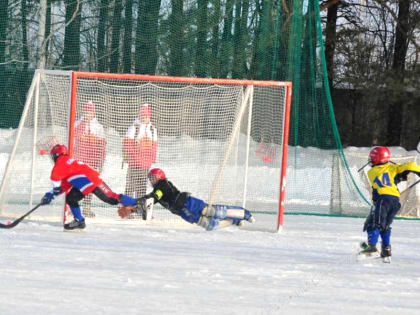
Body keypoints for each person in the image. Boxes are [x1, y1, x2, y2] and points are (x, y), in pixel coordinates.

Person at [117, 168, 255, 230]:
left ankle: (244, 213)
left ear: (160, 177)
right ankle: (233, 221)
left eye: (154, 178)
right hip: (181, 212)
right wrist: (134, 209)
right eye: (150, 179)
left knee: (212, 211)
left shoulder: (163, 185)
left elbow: (152, 197)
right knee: (209, 225)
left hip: (188, 203)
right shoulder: (156, 191)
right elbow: (150, 202)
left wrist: (133, 203)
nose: (152, 181)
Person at [41, 144, 138, 230]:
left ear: (57, 155)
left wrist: (54, 190)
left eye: (53, 155)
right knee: (71, 198)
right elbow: (64, 186)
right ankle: (79, 221)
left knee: (112, 198)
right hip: (85, 183)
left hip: (92, 181)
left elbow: (55, 176)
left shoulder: (62, 161)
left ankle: (138, 203)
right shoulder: (67, 165)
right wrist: (49, 196)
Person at [359, 146, 420, 259]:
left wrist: (395, 169)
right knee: (384, 225)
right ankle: (386, 249)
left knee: (374, 223)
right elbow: (410, 166)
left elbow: (384, 173)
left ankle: (372, 247)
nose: (370, 160)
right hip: (395, 202)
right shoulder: (393, 168)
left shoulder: (372, 172)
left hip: (382, 200)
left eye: (372, 158)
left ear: (377, 159)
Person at [74, 101, 107, 218]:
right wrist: (83, 123)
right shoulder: (78, 124)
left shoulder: (98, 127)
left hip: (92, 162)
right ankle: (73, 206)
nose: (88, 114)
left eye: (90, 112)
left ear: (94, 113)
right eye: (86, 112)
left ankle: (86, 207)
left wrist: (101, 160)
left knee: (90, 185)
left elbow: (102, 146)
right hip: (79, 161)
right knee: (77, 185)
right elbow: (75, 137)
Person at [123, 104, 158, 200]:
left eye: (146, 116)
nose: (144, 118)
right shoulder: (134, 128)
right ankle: (127, 207)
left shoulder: (152, 129)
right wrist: (135, 156)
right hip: (134, 163)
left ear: (149, 116)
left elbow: (154, 146)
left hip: (145, 164)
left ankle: (139, 207)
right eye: (142, 115)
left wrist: (152, 158)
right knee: (131, 186)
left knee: (142, 187)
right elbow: (127, 144)